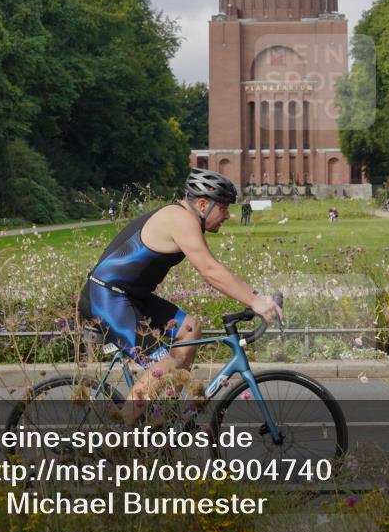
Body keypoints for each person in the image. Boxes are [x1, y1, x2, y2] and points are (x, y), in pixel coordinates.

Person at [79, 168, 283, 422]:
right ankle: (120, 444)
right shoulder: (180, 219)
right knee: (159, 369)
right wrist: (255, 300)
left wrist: (254, 297)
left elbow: (212, 268)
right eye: (224, 208)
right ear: (202, 204)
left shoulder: (186, 219)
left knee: (188, 329)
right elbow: (210, 270)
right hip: (106, 297)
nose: (228, 216)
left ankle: (162, 419)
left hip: (131, 296)